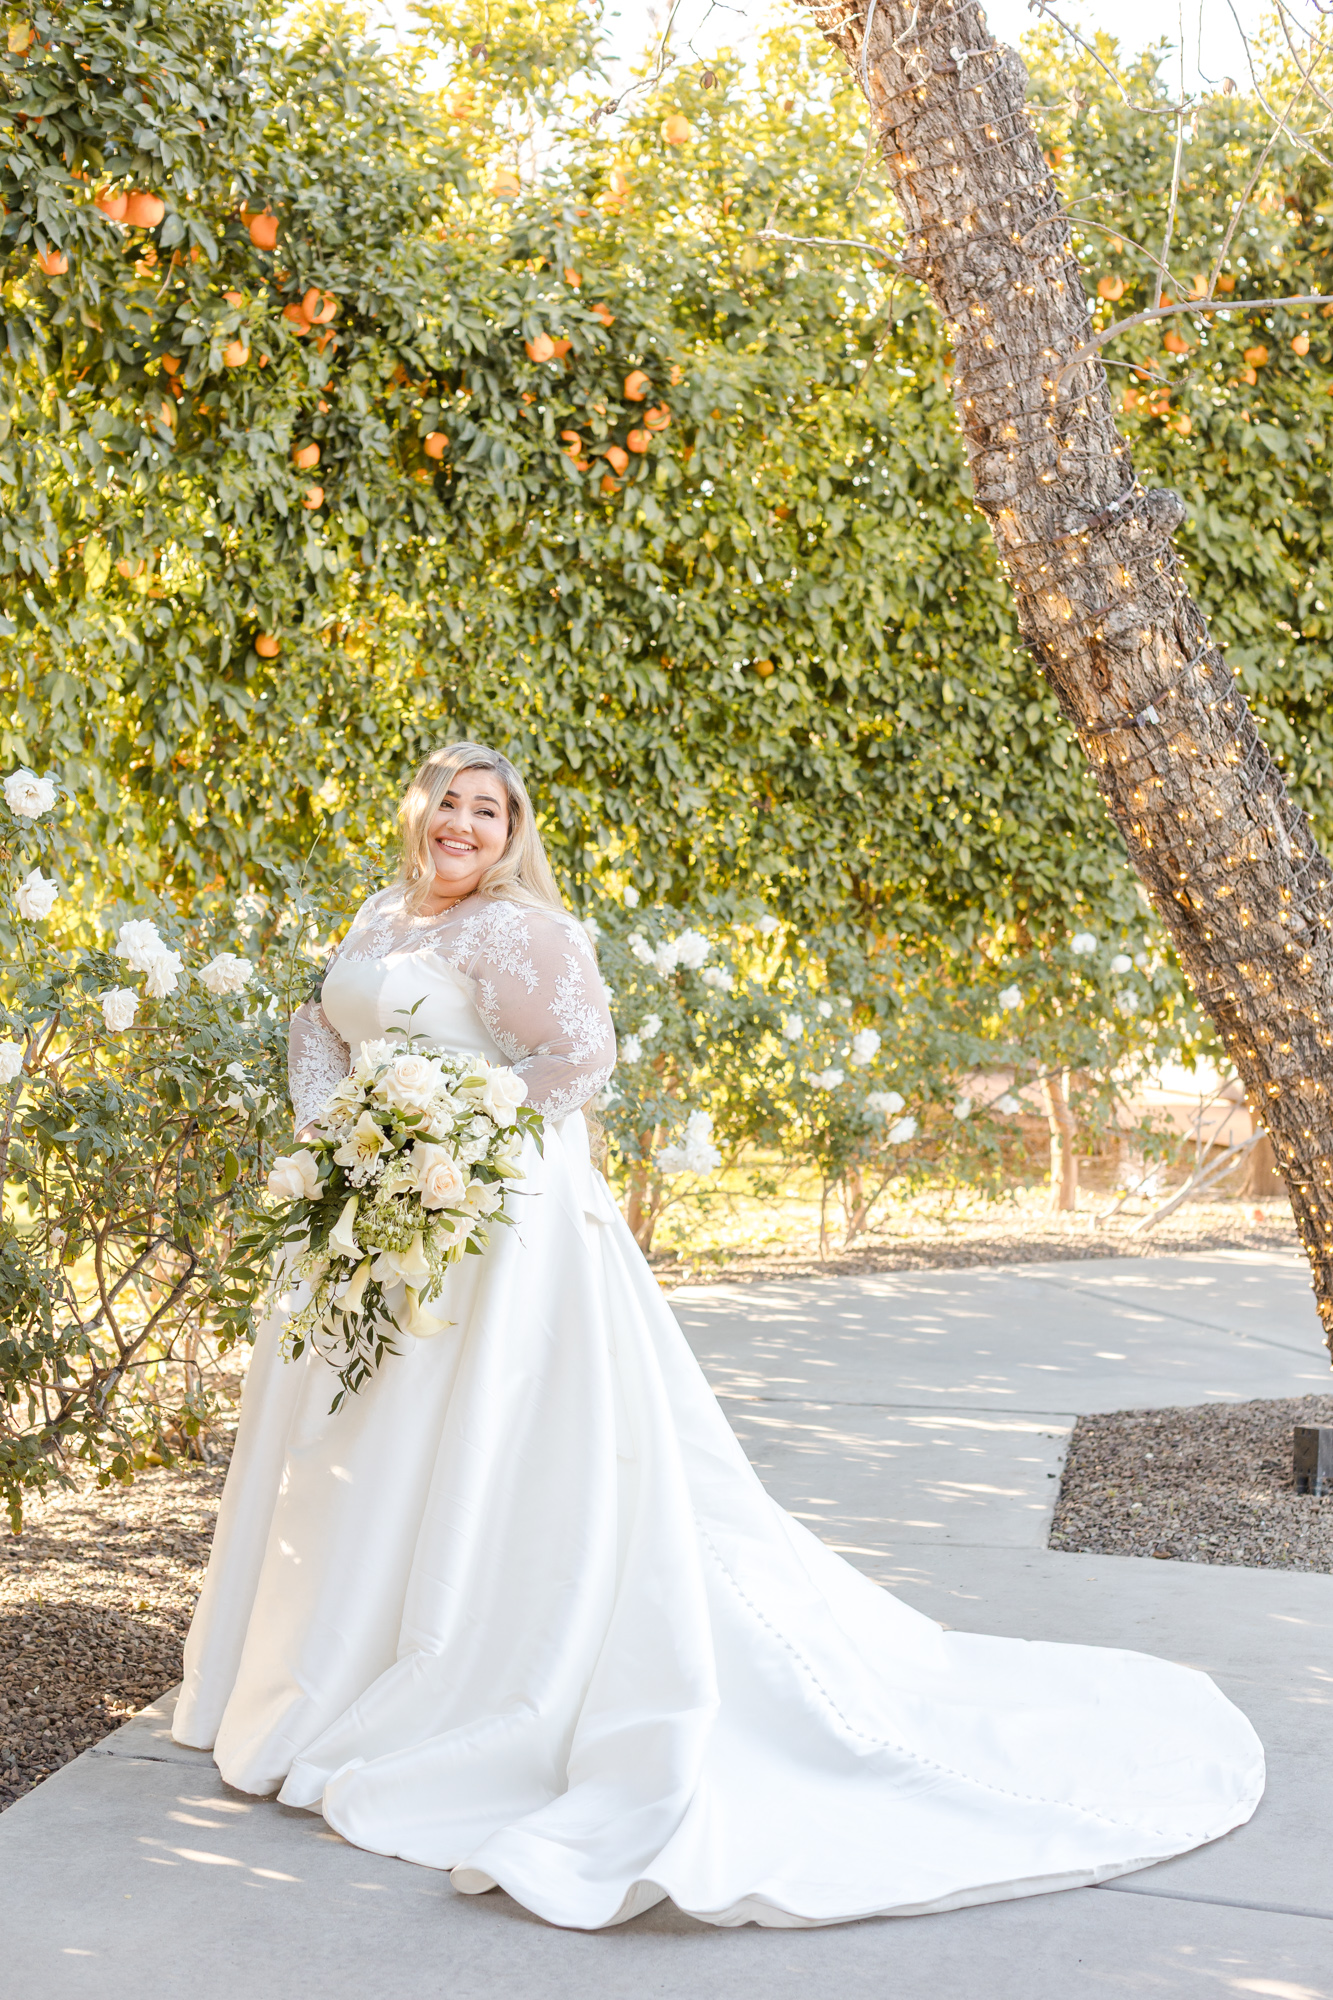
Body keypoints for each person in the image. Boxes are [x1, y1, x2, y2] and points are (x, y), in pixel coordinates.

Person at [174, 740, 1264, 1931]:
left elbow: (577, 1059)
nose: (463, 823)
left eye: (488, 809)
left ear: (511, 831)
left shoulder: (524, 929)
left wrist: (448, 1136)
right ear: (415, 808)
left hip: (485, 1224)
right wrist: (343, 1138)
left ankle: (459, 1676)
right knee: (363, 1441)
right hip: (373, 1210)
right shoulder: (381, 914)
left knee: (485, 1438)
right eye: (447, 800)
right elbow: (322, 1025)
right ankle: (334, 1668)